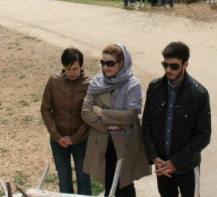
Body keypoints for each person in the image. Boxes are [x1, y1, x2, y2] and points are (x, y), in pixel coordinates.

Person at [142, 42, 211, 197]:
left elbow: (203, 136)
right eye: (164, 65)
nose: (168, 70)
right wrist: (154, 156)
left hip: (187, 167)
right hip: (162, 168)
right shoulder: (155, 89)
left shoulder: (198, 94)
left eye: (174, 66)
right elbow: (147, 125)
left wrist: (175, 163)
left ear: (185, 64)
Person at [82, 44, 151, 197]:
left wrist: (102, 113)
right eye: (103, 63)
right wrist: (107, 127)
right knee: (108, 185)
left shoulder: (132, 84)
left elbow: (130, 115)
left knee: (124, 185)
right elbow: (86, 112)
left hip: (125, 143)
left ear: (121, 63)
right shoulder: (97, 82)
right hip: (103, 141)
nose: (106, 67)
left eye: (110, 63)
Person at [41, 47, 92, 195]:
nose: (72, 73)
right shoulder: (54, 81)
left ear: (81, 66)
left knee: (84, 179)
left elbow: (90, 114)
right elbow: (45, 109)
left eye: (75, 69)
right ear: (63, 67)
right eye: (68, 69)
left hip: (81, 140)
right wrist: (57, 136)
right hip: (58, 141)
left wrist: (75, 138)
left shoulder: (89, 84)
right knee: (64, 180)